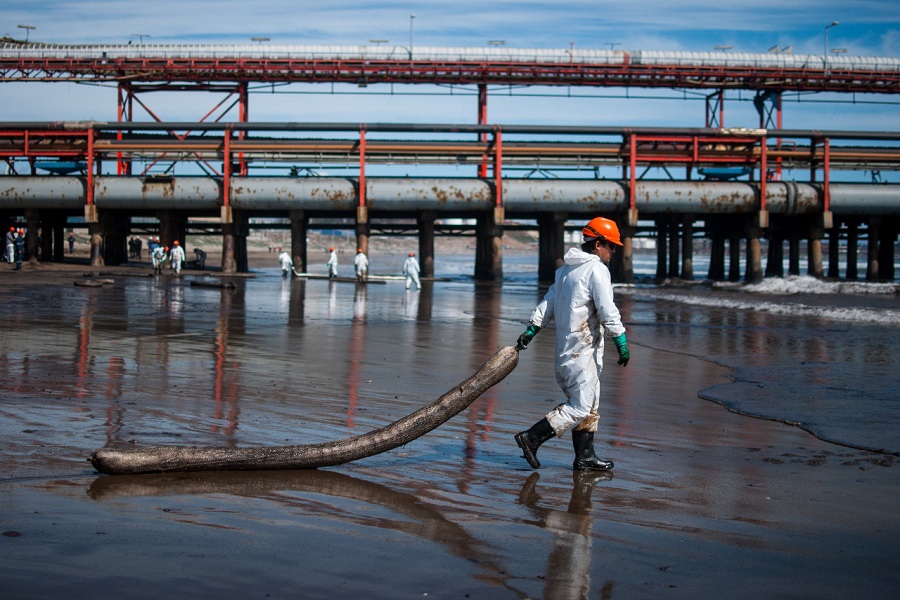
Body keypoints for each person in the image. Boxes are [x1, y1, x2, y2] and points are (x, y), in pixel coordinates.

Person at [514, 216, 631, 472]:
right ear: (598, 243)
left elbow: (548, 304)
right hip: (582, 352)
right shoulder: (596, 270)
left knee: (591, 404)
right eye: (612, 246)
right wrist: (620, 339)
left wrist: (532, 329)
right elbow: (606, 310)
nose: (614, 251)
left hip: (567, 351)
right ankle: (532, 438)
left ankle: (585, 457)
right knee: (580, 407)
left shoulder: (565, 271)